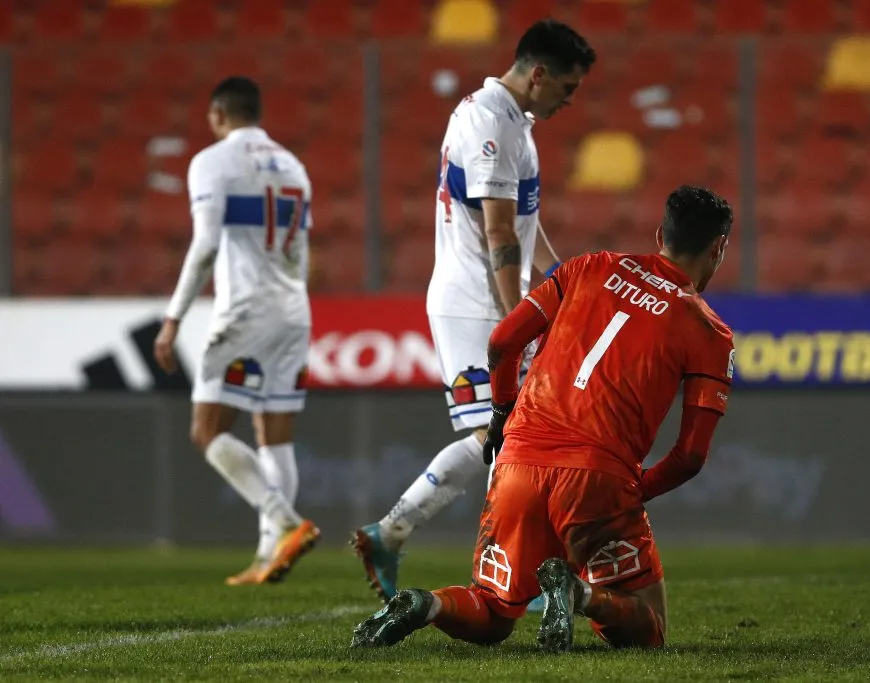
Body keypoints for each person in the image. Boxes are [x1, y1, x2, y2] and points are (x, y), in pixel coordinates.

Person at [350, 185, 735, 651]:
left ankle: (423, 603)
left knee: (492, 611)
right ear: (718, 248)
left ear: (660, 234)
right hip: (599, 476)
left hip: (516, 464)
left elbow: (502, 342)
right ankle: (580, 594)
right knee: (649, 627)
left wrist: (500, 414)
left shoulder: (586, 266)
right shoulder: (710, 332)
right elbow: (690, 455)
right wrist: (638, 489)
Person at [350, 19, 597, 612]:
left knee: (499, 436)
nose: (570, 99)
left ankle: (392, 533)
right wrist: (521, 319)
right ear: (537, 74)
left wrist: (561, 285)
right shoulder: (489, 122)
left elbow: (521, 225)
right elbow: (496, 235)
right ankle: (514, 577)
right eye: (566, 86)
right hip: (475, 304)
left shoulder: (517, 122)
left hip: (494, 300)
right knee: (510, 441)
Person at [155, 77, 320, 586]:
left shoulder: (212, 161)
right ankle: (270, 554)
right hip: (294, 308)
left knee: (206, 431)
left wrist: (173, 317)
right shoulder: (293, 166)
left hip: (245, 311)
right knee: (275, 434)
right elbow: (302, 256)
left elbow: (205, 243)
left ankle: (287, 523)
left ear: (217, 114)